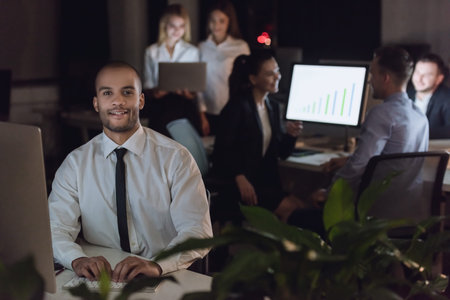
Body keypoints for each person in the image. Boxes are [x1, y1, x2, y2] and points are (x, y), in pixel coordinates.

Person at [49, 62, 213, 282]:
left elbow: (197, 230)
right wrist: (76, 259)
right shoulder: (75, 164)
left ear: (141, 100)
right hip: (103, 280)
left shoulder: (176, 158)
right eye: (108, 93)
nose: (118, 101)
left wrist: (157, 264)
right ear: (97, 104)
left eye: (127, 92)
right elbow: (55, 228)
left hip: (165, 274)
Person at [211, 51, 303, 222]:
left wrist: (291, 135)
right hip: (239, 184)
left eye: (277, 70)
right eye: (269, 74)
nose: (277, 77)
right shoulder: (237, 107)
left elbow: (281, 153)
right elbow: (222, 152)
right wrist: (239, 176)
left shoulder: (273, 107)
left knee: (301, 206)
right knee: (292, 209)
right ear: (253, 79)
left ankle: (274, 247)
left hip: (262, 183)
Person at [142, 4, 205, 136]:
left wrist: (191, 96)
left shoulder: (192, 51)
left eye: (181, 26)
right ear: (164, 25)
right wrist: (156, 92)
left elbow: (196, 87)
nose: (177, 30)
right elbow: (148, 83)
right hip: (160, 105)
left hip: (184, 105)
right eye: (173, 25)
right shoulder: (152, 51)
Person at [198, 0, 250, 135]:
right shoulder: (201, 47)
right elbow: (198, 85)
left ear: (229, 22)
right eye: (212, 20)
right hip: (207, 111)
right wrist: (201, 114)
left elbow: (246, 82)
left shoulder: (240, 46)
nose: (216, 25)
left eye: (221, 21)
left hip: (233, 110)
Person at [408, 53, 450, 139]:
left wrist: (416, 132)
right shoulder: (405, 93)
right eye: (417, 72)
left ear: (439, 79)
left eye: (427, 75)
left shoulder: (447, 98)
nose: (419, 79)